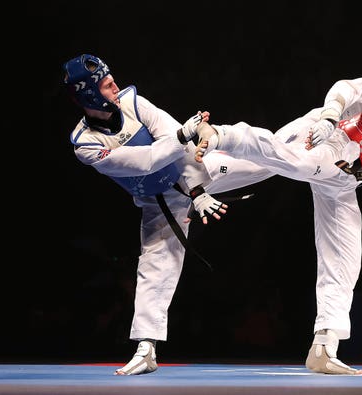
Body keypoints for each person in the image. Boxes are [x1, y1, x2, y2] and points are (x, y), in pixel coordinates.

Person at [194, 50, 362, 375]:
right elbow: (349, 87)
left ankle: (324, 347)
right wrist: (329, 116)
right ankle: (220, 137)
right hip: (330, 136)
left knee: (345, 259)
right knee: (291, 163)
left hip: (346, 179)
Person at [63, 54, 273, 375]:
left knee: (264, 159)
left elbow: (182, 144)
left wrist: (197, 189)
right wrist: (183, 147)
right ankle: (146, 350)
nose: (116, 88)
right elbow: (146, 159)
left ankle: (316, 145)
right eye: (107, 85)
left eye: (113, 81)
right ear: (88, 95)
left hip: (192, 170)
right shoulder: (86, 144)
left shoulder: (133, 102)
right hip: (156, 200)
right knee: (154, 266)